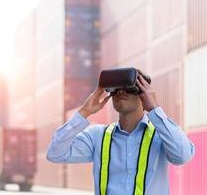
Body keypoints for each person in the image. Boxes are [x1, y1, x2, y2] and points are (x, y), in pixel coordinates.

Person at [46, 70, 195, 195]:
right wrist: (84, 112)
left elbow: (183, 156)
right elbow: (55, 153)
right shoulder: (97, 136)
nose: (121, 91)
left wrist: (154, 109)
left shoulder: (161, 135)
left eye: (129, 87)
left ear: (144, 94)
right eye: (116, 89)